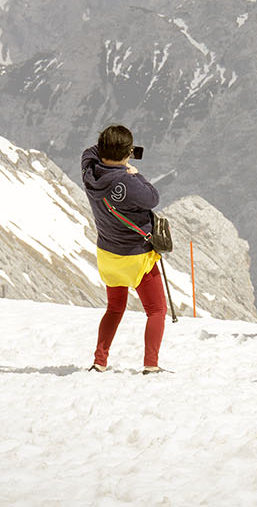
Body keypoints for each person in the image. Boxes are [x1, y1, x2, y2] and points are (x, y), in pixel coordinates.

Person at [81, 124, 166, 373]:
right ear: (127, 153)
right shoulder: (128, 182)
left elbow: (89, 152)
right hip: (136, 258)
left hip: (108, 255)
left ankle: (100, 361)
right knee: (156, 310)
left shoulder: (89, 171)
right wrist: (134, 173)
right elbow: (153, 198)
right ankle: (151, 364)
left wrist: (112, 148)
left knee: (114, 308)